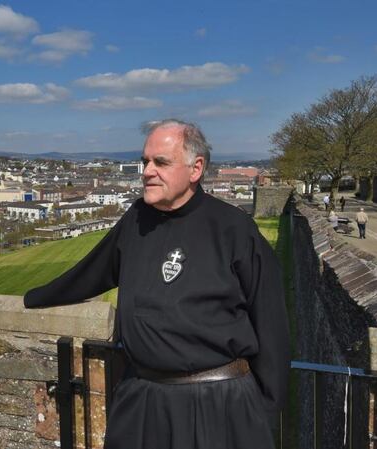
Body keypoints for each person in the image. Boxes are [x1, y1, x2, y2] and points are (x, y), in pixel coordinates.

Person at [24, 119, 289, 449]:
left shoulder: (233, 229)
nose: (147, 171)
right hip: (142, 401)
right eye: (144, 161)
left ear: (196, 168)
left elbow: (271, 322)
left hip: (217, 404)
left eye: (161, 162)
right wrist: (32, 299)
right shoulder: (137, 219)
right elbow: (93, 272)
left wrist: (262, 410)